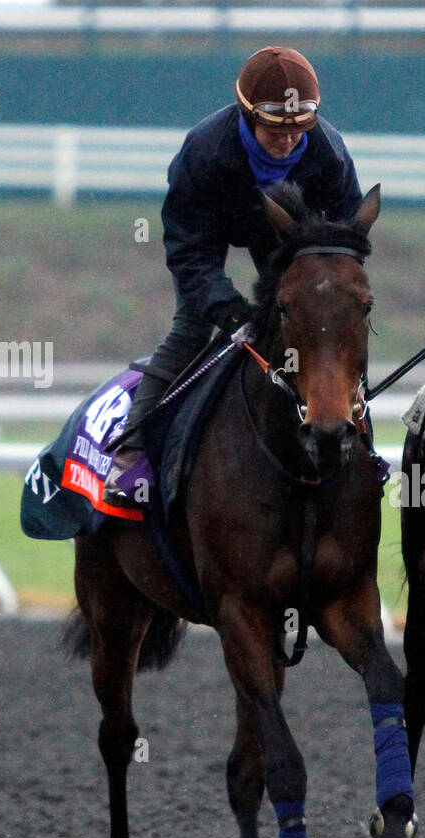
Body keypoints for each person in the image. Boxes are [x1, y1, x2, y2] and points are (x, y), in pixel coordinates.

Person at [105, 46, 364, 505]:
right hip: (215, 225)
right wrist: (225, 309)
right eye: (274, 132)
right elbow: (188, 247)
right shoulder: (205, 151)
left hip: (293, 234)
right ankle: (132, 449)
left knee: (327, 330)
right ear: (247, 116)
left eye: (298, 131)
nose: (287, 142)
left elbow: (342, 246)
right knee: (191, 328)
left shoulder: (330, 155)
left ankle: (358, 442)